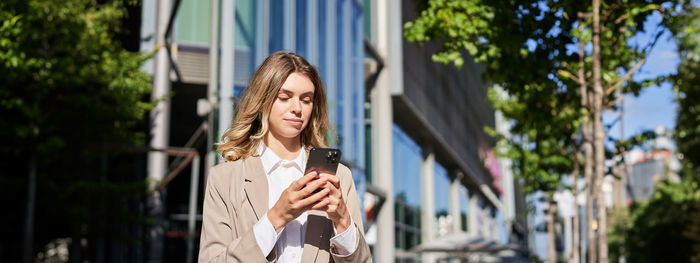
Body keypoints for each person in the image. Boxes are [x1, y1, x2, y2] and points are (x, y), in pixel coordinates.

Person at [198, 51, 371, 263]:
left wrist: (342, 219)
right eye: (284, 97)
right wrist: (277, 217)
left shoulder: (339, 177)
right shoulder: (225, 178)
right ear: (263, 100)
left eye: (306, 100)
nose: (297, 108)